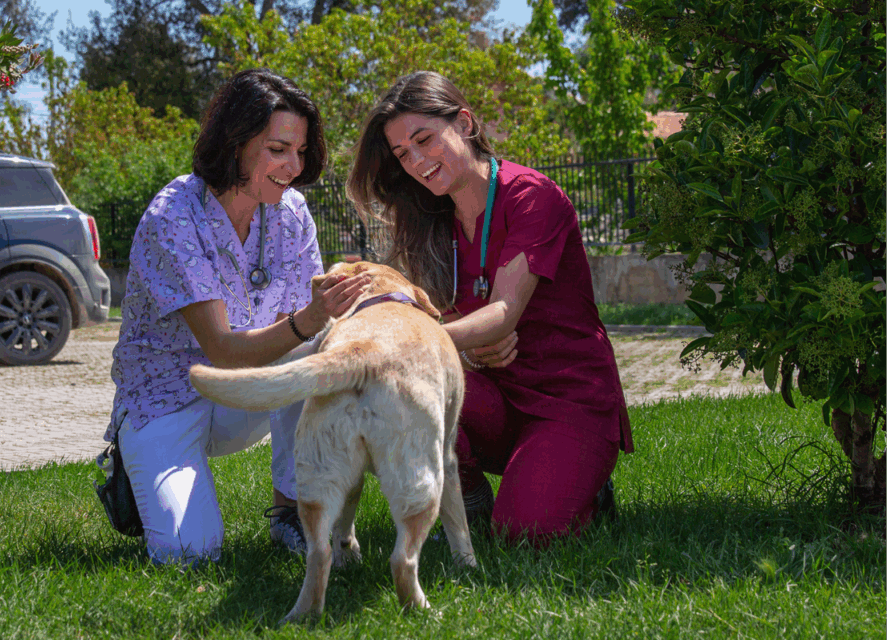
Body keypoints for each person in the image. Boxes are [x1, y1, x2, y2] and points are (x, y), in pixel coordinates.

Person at [346, 71, 633, 546]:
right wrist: (468, 351)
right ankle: (472, 502)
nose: (416, 161)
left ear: (463, 123)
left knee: (525, 533)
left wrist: (403, 339)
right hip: (497, 397)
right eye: (402, 154)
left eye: (424, 140)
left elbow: (502, 311)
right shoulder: (430, 216)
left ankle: (588, 486)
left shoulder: (530, 195)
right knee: (391, 394)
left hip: (568, 400)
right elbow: (451, 323)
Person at [106, 68, 371, 565]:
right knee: (191, 554)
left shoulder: (290, 212)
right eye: (277, 149)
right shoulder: (174, 215)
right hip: (167, 396)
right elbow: (223, 350)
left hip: (247, 393)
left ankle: (292, 511)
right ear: (234, 142)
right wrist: (309, 321)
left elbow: (307, 329)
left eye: (300, 151)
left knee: (321, 352)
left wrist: (329, 319)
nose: (293, 166)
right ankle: (135, 460)